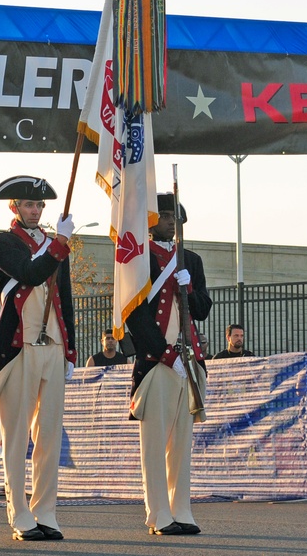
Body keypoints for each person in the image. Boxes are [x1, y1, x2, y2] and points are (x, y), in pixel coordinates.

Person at [0, 176, 76, 541]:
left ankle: (45, 511)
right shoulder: (1, 242)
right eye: (28, 204)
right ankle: (19, 513)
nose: (35, 211)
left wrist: (70, 349)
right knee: (17, 432)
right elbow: (29, 272)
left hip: (52, 345)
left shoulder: (55, 244)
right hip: (19, 346)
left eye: (39, 205)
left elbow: (65, 298)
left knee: (50, 434)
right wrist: (60, 242)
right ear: (14, 208)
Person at [127, 192, 212, 538]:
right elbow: (134, 313)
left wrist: (189, 289)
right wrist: (164, 353)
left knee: (182, 442)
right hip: (158, 360)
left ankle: (182, 509)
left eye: (174, 218)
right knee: (155, 442)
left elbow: (204, 309)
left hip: (189, 360)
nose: (170, 223)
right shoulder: (139, 258)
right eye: (164, 216)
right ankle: (159, 513)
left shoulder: (189, 258)